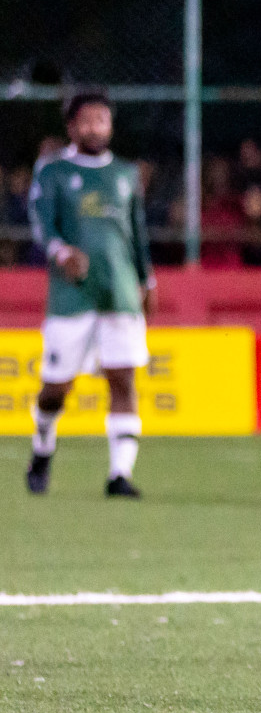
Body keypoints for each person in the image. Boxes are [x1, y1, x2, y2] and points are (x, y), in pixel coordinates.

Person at [25, 93, 156, 498]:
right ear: (72, 127)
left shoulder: (125, 173)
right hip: (72, 295)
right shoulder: (53, 171)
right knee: (56, 388)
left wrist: (146, 279)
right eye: (87, 121)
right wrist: (61, 252)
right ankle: (43, 444)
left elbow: (136, 232)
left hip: (119, 292)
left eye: (102, 120)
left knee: (123, 379)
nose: (95, 128)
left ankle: (119, 475)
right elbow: (42, 224)